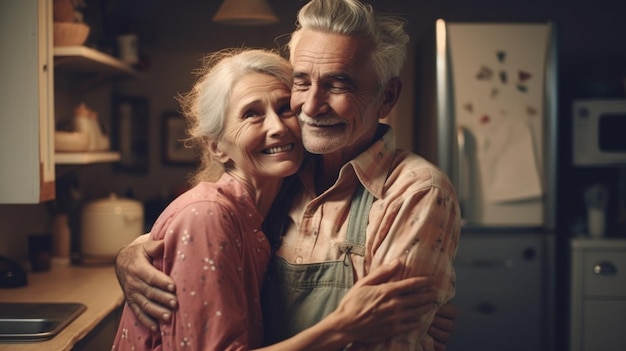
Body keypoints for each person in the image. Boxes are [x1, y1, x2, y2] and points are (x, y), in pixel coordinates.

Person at [115, 0, 461, 349]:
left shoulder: (415, 191)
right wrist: (136, 252)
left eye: (338, 84)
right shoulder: (284, 177)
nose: (309, 107)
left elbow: (392, 342)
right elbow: (203, 232)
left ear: (387, 97)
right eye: (301, 82)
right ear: (216, 146)